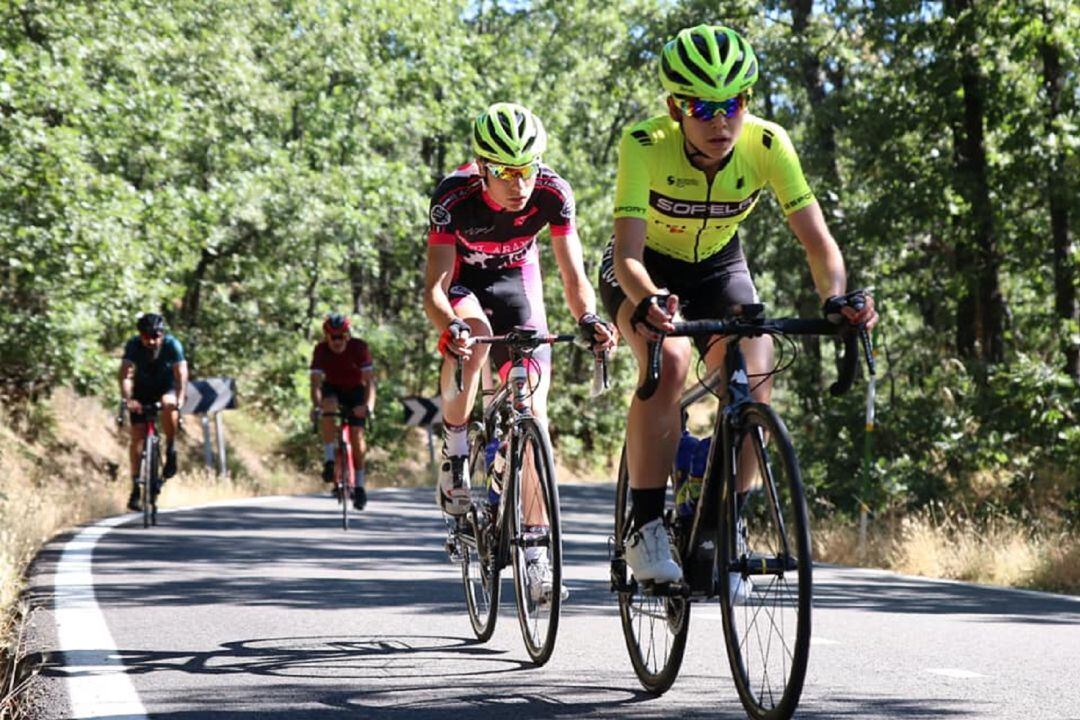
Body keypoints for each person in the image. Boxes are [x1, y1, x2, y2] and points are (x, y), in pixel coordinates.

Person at [600, 24, 879, 586]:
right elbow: (628, 254)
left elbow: (817, 241)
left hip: (719, 265)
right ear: (675, 107)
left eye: (734, 103)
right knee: (670, 361)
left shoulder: (767, 144)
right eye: (702, 107)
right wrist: (650, 301)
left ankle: (730, 520)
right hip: (643, 269)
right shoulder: (644, 144)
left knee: (758, 359)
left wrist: (835, 298)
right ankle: (646, 525)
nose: (721, 120)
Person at [423, 101, 615, 600]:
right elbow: (435, 288)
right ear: (482, 167)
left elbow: (573, 277)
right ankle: (457, 444)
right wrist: (451, 326)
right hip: (465, 287)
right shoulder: (454, 195)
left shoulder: (553, 192)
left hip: (517, 285)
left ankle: (536, 553)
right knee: (474, 341)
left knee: (533, 411)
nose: (518, 183)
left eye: (525, 169)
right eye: (504, 171)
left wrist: (589, 319)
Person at [119, 313, 188, 511]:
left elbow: (181, 372)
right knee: (137, 437)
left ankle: (171, 448)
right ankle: (135, 486)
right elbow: (125, 374)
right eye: (147, 336)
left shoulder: (172, 345)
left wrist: (180, 398)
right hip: (142, 390)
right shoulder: (133, 345)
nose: (152, 341)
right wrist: (128, 399)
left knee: (168, 403)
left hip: (166, 388)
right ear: (140, 335)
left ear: (162, 334)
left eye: (156, 336)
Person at [310, 313, 376, 510]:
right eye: (333, 337)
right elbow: (315, 386)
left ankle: (361, 486)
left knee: (357, 436)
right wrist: (316, 406)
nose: (337, 341)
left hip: (356, 391)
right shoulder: (321, 351)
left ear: (347, 336)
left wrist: (368, 407)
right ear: (326, 336)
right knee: (327, 406)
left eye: (341, 337)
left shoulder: (359, 348)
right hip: (333, 389)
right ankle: (329, 461)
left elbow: (370, 382)